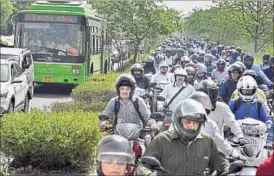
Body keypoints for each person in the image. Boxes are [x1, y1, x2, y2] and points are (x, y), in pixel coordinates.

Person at [136, 99, 229, 176]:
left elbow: (222, 164)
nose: (192, 126)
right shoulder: (162, 140)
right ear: (179, 121)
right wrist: (148, 174)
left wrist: (229, 171)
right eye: (188, 122)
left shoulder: (207, 141)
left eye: (195, 123)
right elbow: (141, 166)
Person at [189, 91, 245, 157]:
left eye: (203, 110)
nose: (199, 113)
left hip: (207, 156)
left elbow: (221, 143)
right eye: (196, 109)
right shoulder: (182, 123)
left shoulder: (211, 125)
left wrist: (234, 153)